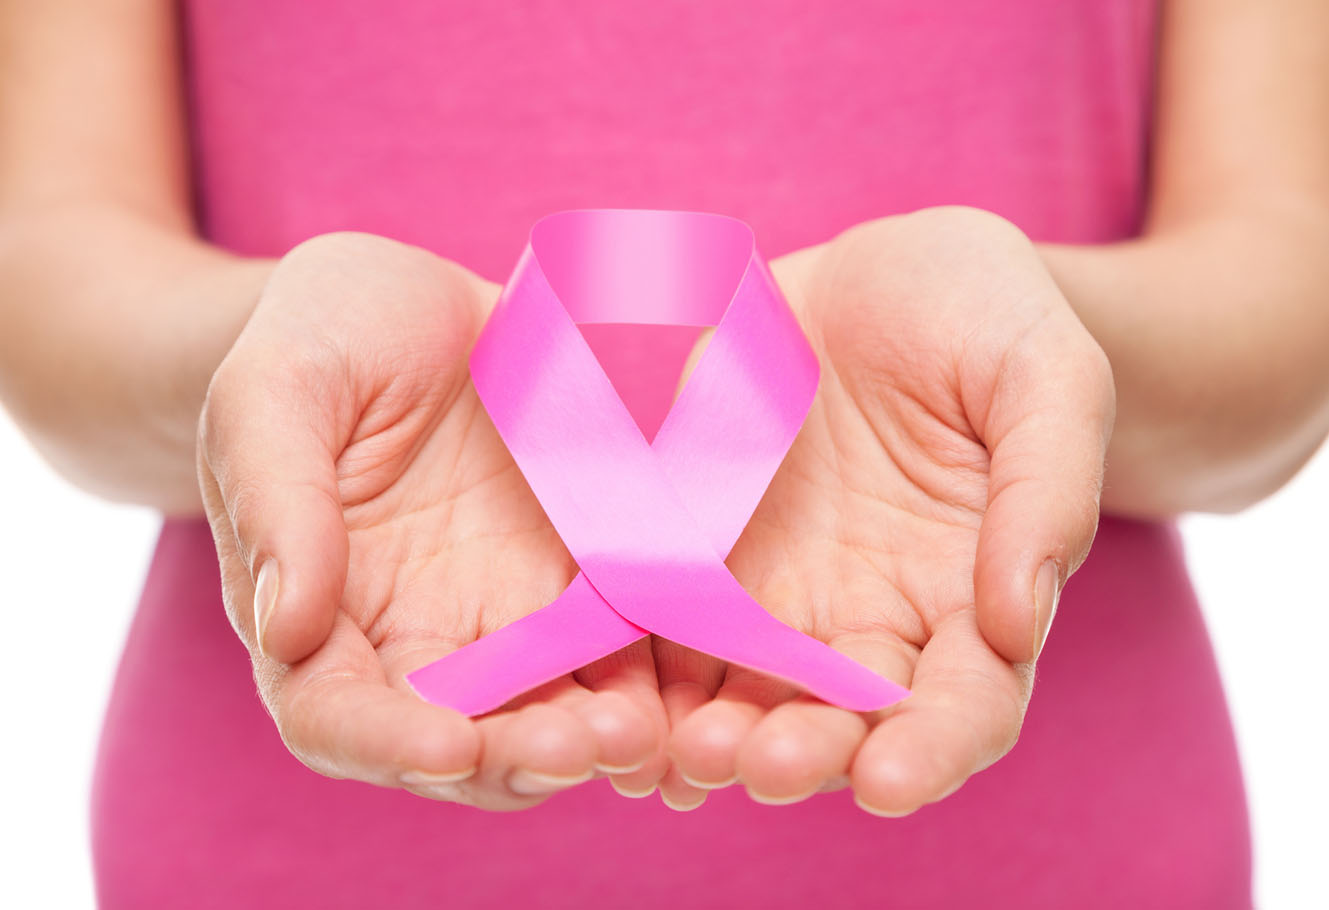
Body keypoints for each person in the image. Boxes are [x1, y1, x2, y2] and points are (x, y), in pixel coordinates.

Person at [2, 0, 1325, 906]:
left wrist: (1028, 357)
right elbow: (50, 277)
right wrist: (273, 375)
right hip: (276, 856)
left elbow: (1286, 292)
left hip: (1060, 854)